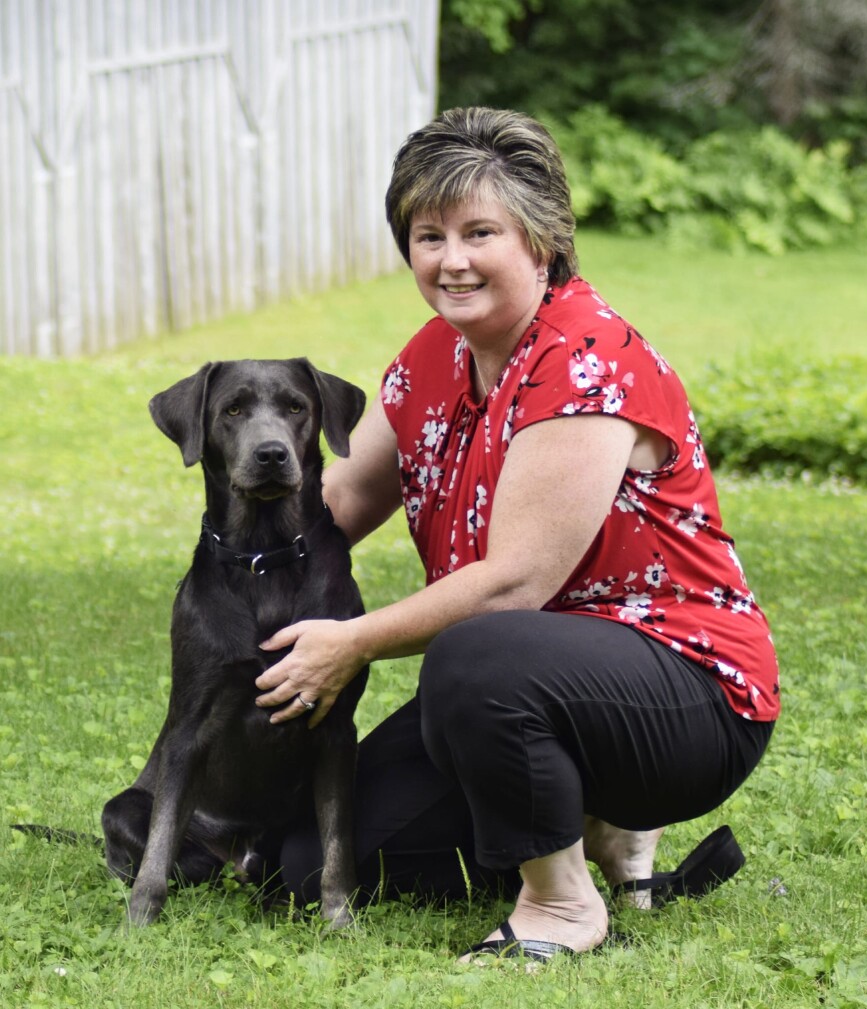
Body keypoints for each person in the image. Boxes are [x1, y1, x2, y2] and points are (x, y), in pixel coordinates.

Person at [254, 107, 779, 961]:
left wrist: (348, 642)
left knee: (477, 650)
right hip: (531, 685)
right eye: (428, 235)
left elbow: (514, 584)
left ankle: (561, 905)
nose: (450, 260)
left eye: (479, 231)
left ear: (541, 240)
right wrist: (232, 570)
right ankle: (594, 823)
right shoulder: (435, 354)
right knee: (309, 858)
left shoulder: (585, 358)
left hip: (687, 688)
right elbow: (340, 500)